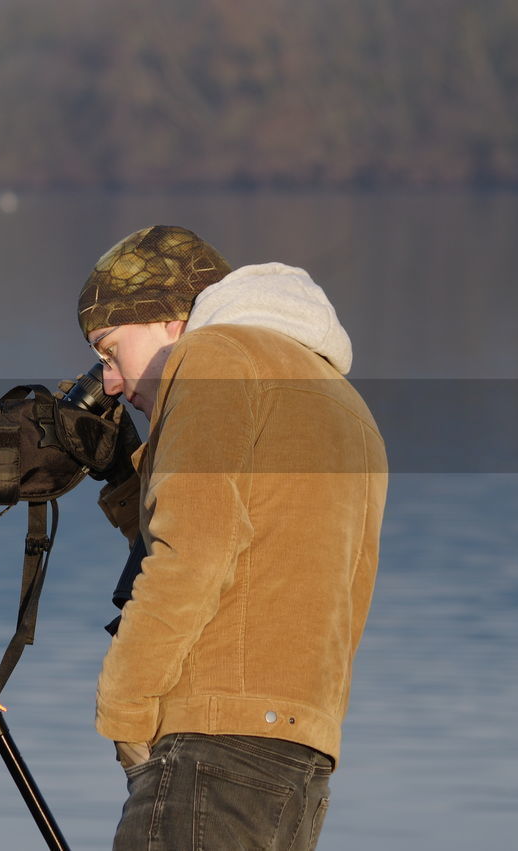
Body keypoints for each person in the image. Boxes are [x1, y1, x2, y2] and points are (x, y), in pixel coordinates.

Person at [77, 225, 388, 850]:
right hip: (294, 756)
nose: (109, 381)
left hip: (210, 750)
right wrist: (120, 473)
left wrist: (125, 715)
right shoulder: (340, 398)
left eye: (111, 351)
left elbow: (192, 550)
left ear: (173, 322)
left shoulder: (215, 356)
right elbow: (250, 544)